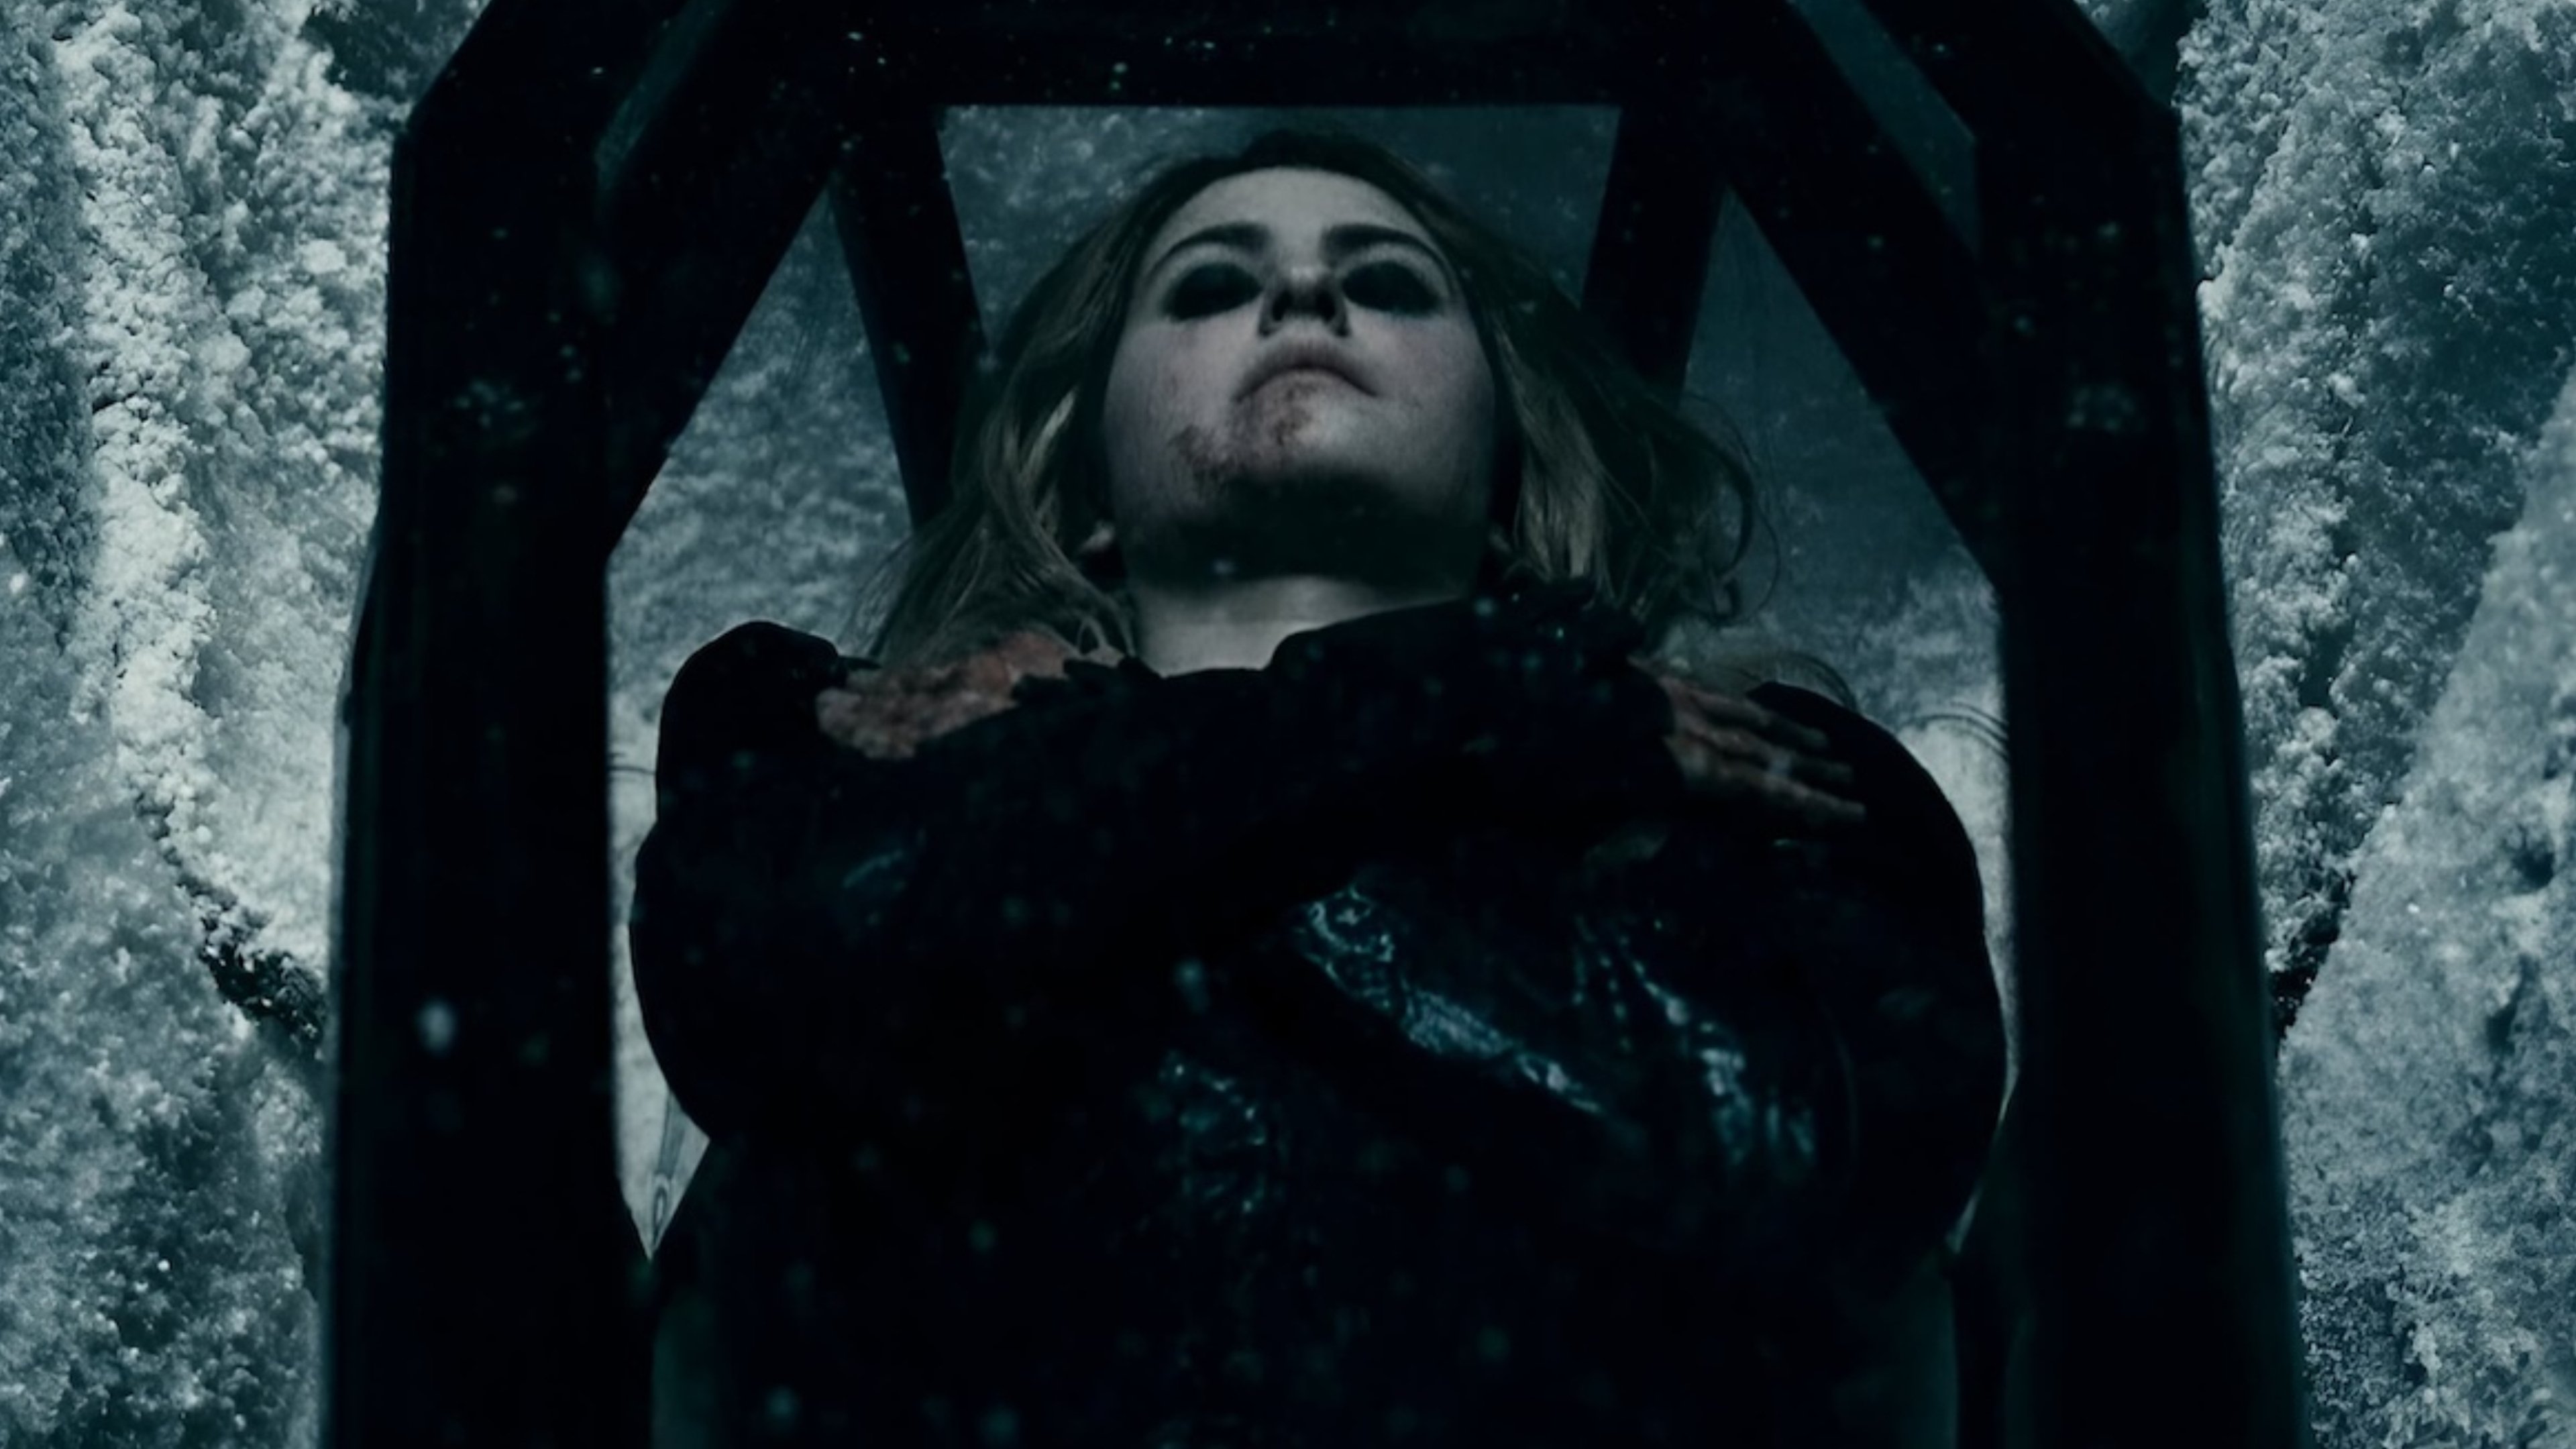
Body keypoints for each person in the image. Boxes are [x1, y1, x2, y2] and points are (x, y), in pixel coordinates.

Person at [630, 128, 2004, 1448]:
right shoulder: (838, 734)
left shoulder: (1760, 769)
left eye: (1390, 283)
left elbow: (1781, 1175)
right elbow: (779, 993)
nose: (1302, 295)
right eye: (1210, 288)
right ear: (1089, 483)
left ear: (1508, 465)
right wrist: (1447, 702)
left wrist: (1134, 776)